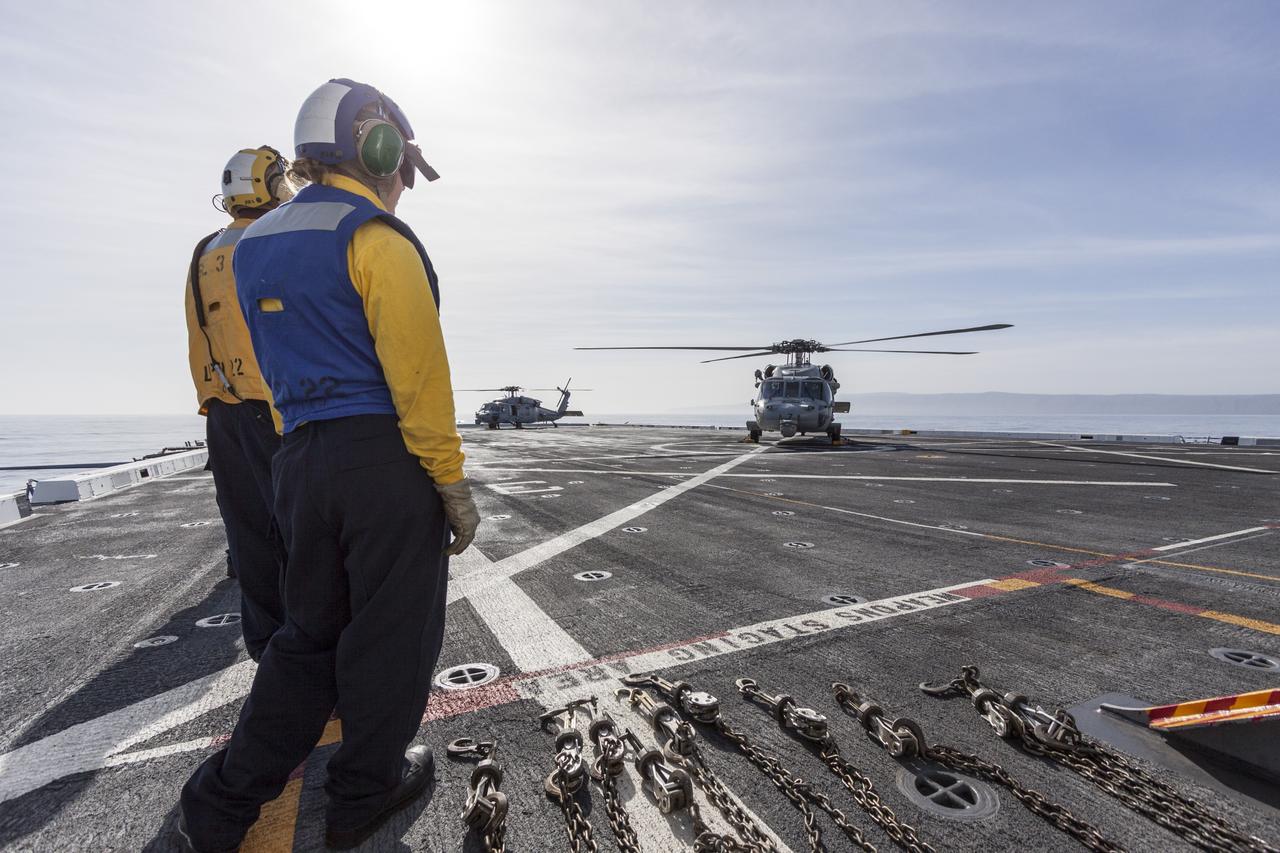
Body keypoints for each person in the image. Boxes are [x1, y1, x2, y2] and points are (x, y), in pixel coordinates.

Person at [177, 79, 480, 853]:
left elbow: (271, 373)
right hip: (384, 461)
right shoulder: (376, 238)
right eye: (402, 163)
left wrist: (299, 462)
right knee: (392, 636)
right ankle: (363, 790)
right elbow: (419, 375)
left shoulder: (249, 245)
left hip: (300, 460)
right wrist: (448, 481)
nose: (403, 182)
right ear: (372, 144)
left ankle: (216, 806)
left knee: (306, 640)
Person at [184, 147, 292, 661]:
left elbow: (198, 331)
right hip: (275, 409)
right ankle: (311, 660)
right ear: (267, 186)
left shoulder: (204, 251)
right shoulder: (273, 239)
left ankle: (267, 649)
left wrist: (213, 399)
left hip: (222, 413)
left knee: (248, 538)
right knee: (303, 538)